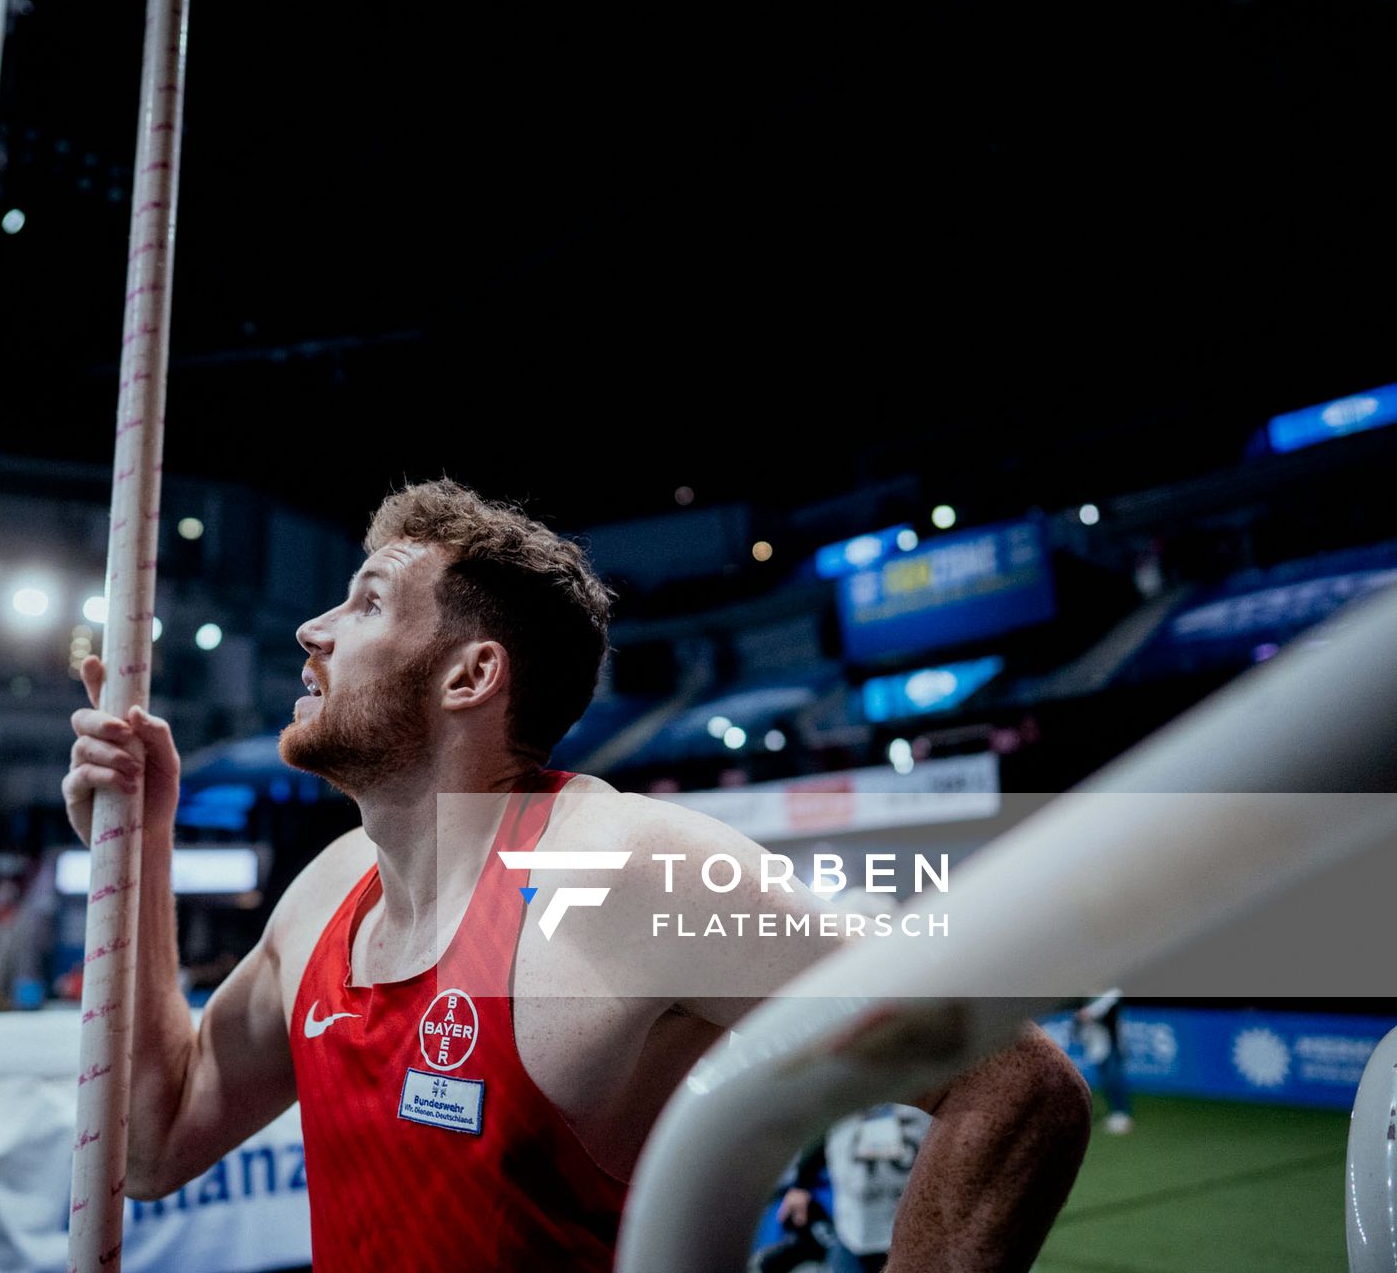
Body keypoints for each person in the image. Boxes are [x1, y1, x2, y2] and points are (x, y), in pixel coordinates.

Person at [63, 479, 1090, 1271]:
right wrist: (140, 846)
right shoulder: (328, 891)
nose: (311, 630)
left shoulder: (621, 868)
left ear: (471, 673)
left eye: (366, 601)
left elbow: (1014, 1084)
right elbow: (152, 1144)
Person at [773, 1104, 933, 1273]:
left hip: (919, 1236)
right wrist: (801, 1185)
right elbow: (819, 1132)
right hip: (853, 1234)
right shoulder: (841, 1091)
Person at [1075, 988, 1133, 1133]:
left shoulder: (1113, 994)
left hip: (1113, 1046)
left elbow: (1106, 1014)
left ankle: (1123, 1115)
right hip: (1097, 1046)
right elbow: (1082, 1017)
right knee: (1106, 1081)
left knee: (1113, 1079)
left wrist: (1089, 1014)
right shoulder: (1091, 995)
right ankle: (1116, 1114)